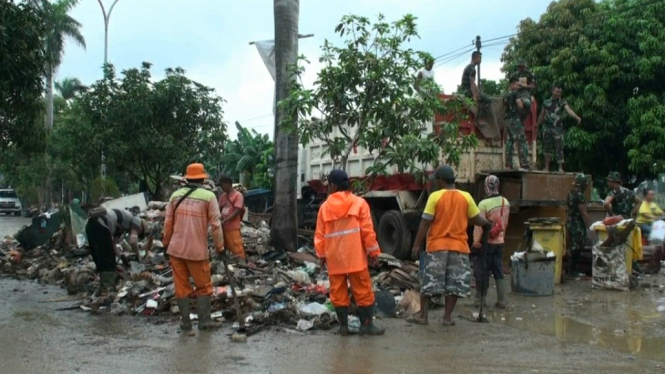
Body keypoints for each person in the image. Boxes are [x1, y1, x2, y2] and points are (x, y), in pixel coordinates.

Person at [407, 165, 492, 326]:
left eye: (436, 180)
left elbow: (426, 222)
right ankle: (446, 318)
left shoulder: (435, 197)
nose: (435, 183)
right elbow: (475, 219)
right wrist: (487, 224)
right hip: (459, 248)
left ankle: (423, 317)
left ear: (441, 181)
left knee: (429, 283)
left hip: (437, 247)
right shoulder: (465, 197)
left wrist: (416, 245)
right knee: (454, 284)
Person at [314, 169, 384, 336]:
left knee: (338, 293)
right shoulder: (359, 204)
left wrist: (321, 256)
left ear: (332, 185)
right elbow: (368, 232)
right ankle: (366, 326)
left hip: (335, 258)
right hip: (356, 258)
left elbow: (320, 235)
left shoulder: (325, 208)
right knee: (363, 291)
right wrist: (373, 253)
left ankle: (343, 327)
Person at [163, 163, 225, 332]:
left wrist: (165, 243)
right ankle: (204, 321)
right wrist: (220, 247)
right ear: (203, 179)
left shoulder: (175, 196)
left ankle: (185, 323)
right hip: (197, 251)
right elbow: (216, 225)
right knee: (203, 287)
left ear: (187, 178)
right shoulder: (209, 196)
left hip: (176, 250)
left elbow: (168, 223)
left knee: (181, 287)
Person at [85, 207, 154, 295]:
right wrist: (138, 258)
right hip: (101, 224)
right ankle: (108, 289)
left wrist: (121, 255)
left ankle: (104, 286)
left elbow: (112, 244)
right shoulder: (136, 220)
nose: (137, 233)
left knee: (99, 257)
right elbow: (133, 240)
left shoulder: (121, 226)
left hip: (91, 225)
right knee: (108, 259)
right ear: (142, 227)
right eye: (140, 233)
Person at [472, 175, 510, 309]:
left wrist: (476, 242)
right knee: (498, 270)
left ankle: (480, 300)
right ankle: (502, 300)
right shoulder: (505, 202)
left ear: (486, 187)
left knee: (483, 271)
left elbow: (479, 226)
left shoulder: (483, 204)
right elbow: (505, 222)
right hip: (500, 241)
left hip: (486, 244)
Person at [537, 84, 582, 172]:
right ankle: (546, 167)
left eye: (560, 92)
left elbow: (568, 110)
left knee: (559, 147)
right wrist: (537, 125)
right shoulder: (546, 102)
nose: (559, 94)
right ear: (552, 91)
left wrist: (577, 117)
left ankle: (560, 168)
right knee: (546, 148)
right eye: (557, 92)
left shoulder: (562, 102)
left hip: (557, 128)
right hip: (547, 128)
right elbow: (542, 115)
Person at [566, 174, 591, 276]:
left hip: (570, 221)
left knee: (574, 245)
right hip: (577, 224)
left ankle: (571, 269)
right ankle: (571, 271)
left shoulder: (570, 193)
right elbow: (583, 212)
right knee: (577, 246)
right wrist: (590, 226)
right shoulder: (580, 195)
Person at [503, 77, 530, 170]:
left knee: (510, 141)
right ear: (511, 84)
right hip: (514, 119)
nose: (519, 87)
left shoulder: (505, 95)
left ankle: (508, 164)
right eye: (517, 85)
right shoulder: (515, 94)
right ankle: (524, 164)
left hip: (507, 120)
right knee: (521, 140)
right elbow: (520, 105)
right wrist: (522, 112)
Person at [218, 175, 246, 261]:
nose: (221, 187)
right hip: (223, 228)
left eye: (222, 185)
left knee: (237, 249)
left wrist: (225, 220)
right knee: (223, 247)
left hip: (233, 227)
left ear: (228, 183)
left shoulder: (238, 195)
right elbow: (219, 209)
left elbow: (237, 211)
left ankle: (242, 265)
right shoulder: (223, 196)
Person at [460, 51, 492, 120]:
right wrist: (474, 96)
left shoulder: (468, 67)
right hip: (468, 92)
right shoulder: (472, 68)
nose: (481, 61)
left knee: (482, 95)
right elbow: (472, 83)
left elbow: (473, 83)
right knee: (487, 99)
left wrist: (478, 91)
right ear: (475, 58)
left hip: (465, 90)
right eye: (480, 58)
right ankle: (480, 119)